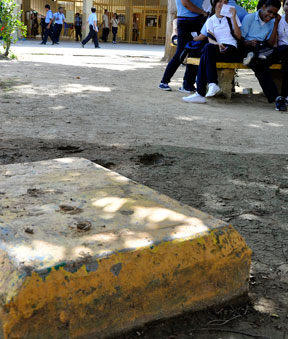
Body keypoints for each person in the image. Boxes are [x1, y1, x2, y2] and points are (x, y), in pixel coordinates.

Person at [183, 0, 241, 103]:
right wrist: (217, 44)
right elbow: (210, 39)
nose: (222, 4)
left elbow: (238, 36)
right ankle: (207, 88)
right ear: (215, 4)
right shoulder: (210, 20)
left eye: (225, 2)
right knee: (207, 49)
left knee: (206, 52)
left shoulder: (232, 17)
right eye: (220, 1)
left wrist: (233, 17)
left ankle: (204, 90)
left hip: (231, 49)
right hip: (217, 49)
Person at [241, 0, 286, 111]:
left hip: (264, 49)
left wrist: (275, 24)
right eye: (269, 12)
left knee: (280, 52)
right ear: (263, 7)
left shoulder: (272, 22)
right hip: (248, 47)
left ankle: (254, 59)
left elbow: (271, 43)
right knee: (260, 66)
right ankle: (277, 98)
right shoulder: (249, 18)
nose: (270, 16)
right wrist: (250, 42)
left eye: (274, 14)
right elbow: (240, 39)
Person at [158, 0, 208, 93]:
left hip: (197, 21)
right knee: (180, 53)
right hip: (186, 22)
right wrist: (203, 12)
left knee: (195, 53)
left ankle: (188, 85)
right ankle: (164, 81)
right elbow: (186, 4)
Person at [276, 0, 288, 102]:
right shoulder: (279, 20)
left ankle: (285, 95)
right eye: (287, 4)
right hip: (281, 50)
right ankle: (285, 94)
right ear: (283, 6)